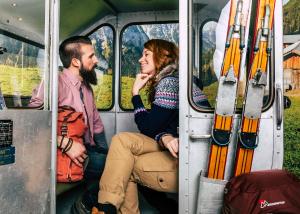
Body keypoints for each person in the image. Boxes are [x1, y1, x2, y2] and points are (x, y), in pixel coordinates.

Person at [91, 39, 209, 214]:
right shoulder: (177, 80)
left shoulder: (169, 83)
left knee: (125, 165)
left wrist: (135, 94)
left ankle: (105, 209)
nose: (140, 59)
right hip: (179, 147)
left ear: (162, 57)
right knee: (122, 140)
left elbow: (148, 127)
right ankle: (106, 207)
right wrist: (163, 136)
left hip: (189, 158)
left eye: (146, 54)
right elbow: (161, 126)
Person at [28, 36, 108, 213]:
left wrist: (104, 150)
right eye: (91, 56)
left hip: (87, 148)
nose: (96, 61)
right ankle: (84, 205)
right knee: (114, 165)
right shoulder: (53, 83)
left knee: (115, 160)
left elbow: (96, 124)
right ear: (75, 62)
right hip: (63, 152)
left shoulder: (86, 87)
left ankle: (88, 202)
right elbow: (30, 125)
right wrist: (65, 143)